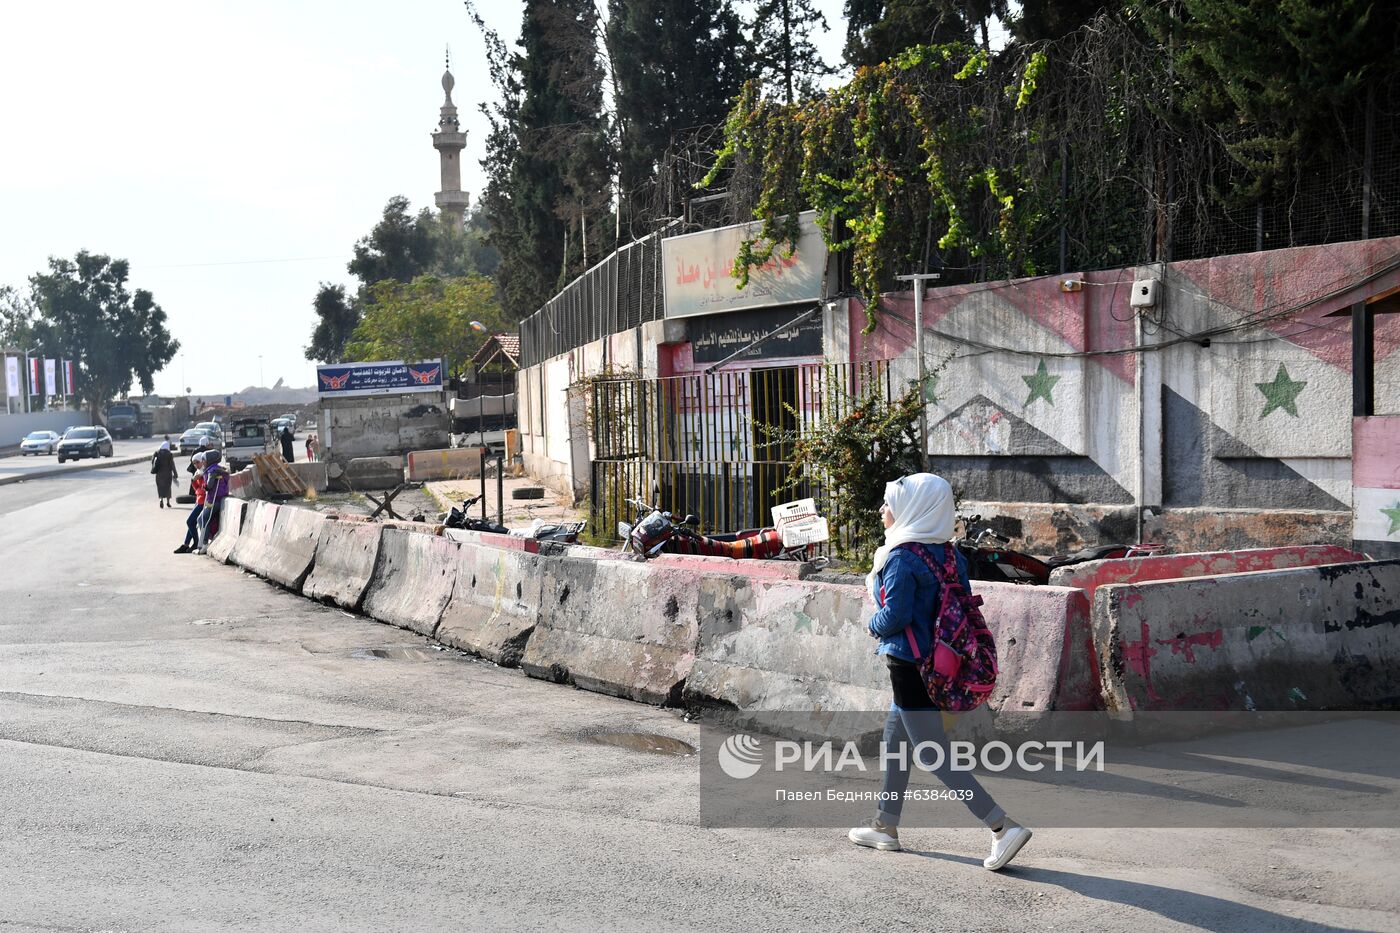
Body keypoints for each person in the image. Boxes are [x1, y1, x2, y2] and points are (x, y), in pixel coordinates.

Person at [848, 473, 1032, 871]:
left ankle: (1002, 827)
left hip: (909, 664)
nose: (883, 510)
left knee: (933, 755)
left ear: (912, 509)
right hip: (941, 663)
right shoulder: (949, 554)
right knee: (896, 740)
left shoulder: (900, 557)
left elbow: (895, 616)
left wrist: (872, 624)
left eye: (888, 504)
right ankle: (885, 825)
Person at [196, 452, 229, 554]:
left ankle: (204, 544)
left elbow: (209, 486)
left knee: (202, 519)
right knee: (204, 519)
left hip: (214, 500)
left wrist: (203, 486)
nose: (203, 462)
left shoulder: (212, 471)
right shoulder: (216, 468)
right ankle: (206, 541)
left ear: (209, 460)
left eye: (204, 460)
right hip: (216, 499)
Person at [174, 452, 207, 554]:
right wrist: (193, 480)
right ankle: (186, 544)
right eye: (194, 463)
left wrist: (199, 480)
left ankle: (196, 543)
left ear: (202, 461)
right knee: (192, 522)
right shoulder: (198, 473)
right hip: (198, 500)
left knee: (190, 522)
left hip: (204, 501)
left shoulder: (205, 472)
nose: (196, 465)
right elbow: (196, 489)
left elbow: (206, 488)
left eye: (198, 462)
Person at [151, 441, 179, 509]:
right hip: (167, 474)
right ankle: (168, 502)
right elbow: (172, 465)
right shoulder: (169, 454)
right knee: (168, 488)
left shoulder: (156, 453)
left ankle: (161, 500)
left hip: (159, 474)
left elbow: (152, 462)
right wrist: (175, 474)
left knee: (160, 488)